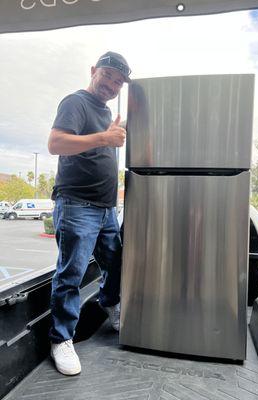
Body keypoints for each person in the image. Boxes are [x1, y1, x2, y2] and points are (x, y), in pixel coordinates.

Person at [47, 51, 131, 376]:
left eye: (118, 81)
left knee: (116, 261)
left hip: (106, 207)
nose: (111, 84)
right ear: (93, 71)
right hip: (76, 203)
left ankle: (110, 303)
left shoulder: (107, 111)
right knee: (71, 274)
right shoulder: (75, 102)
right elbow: (55, 143)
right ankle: (61, 339)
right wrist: (105, 138)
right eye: (107, 75)